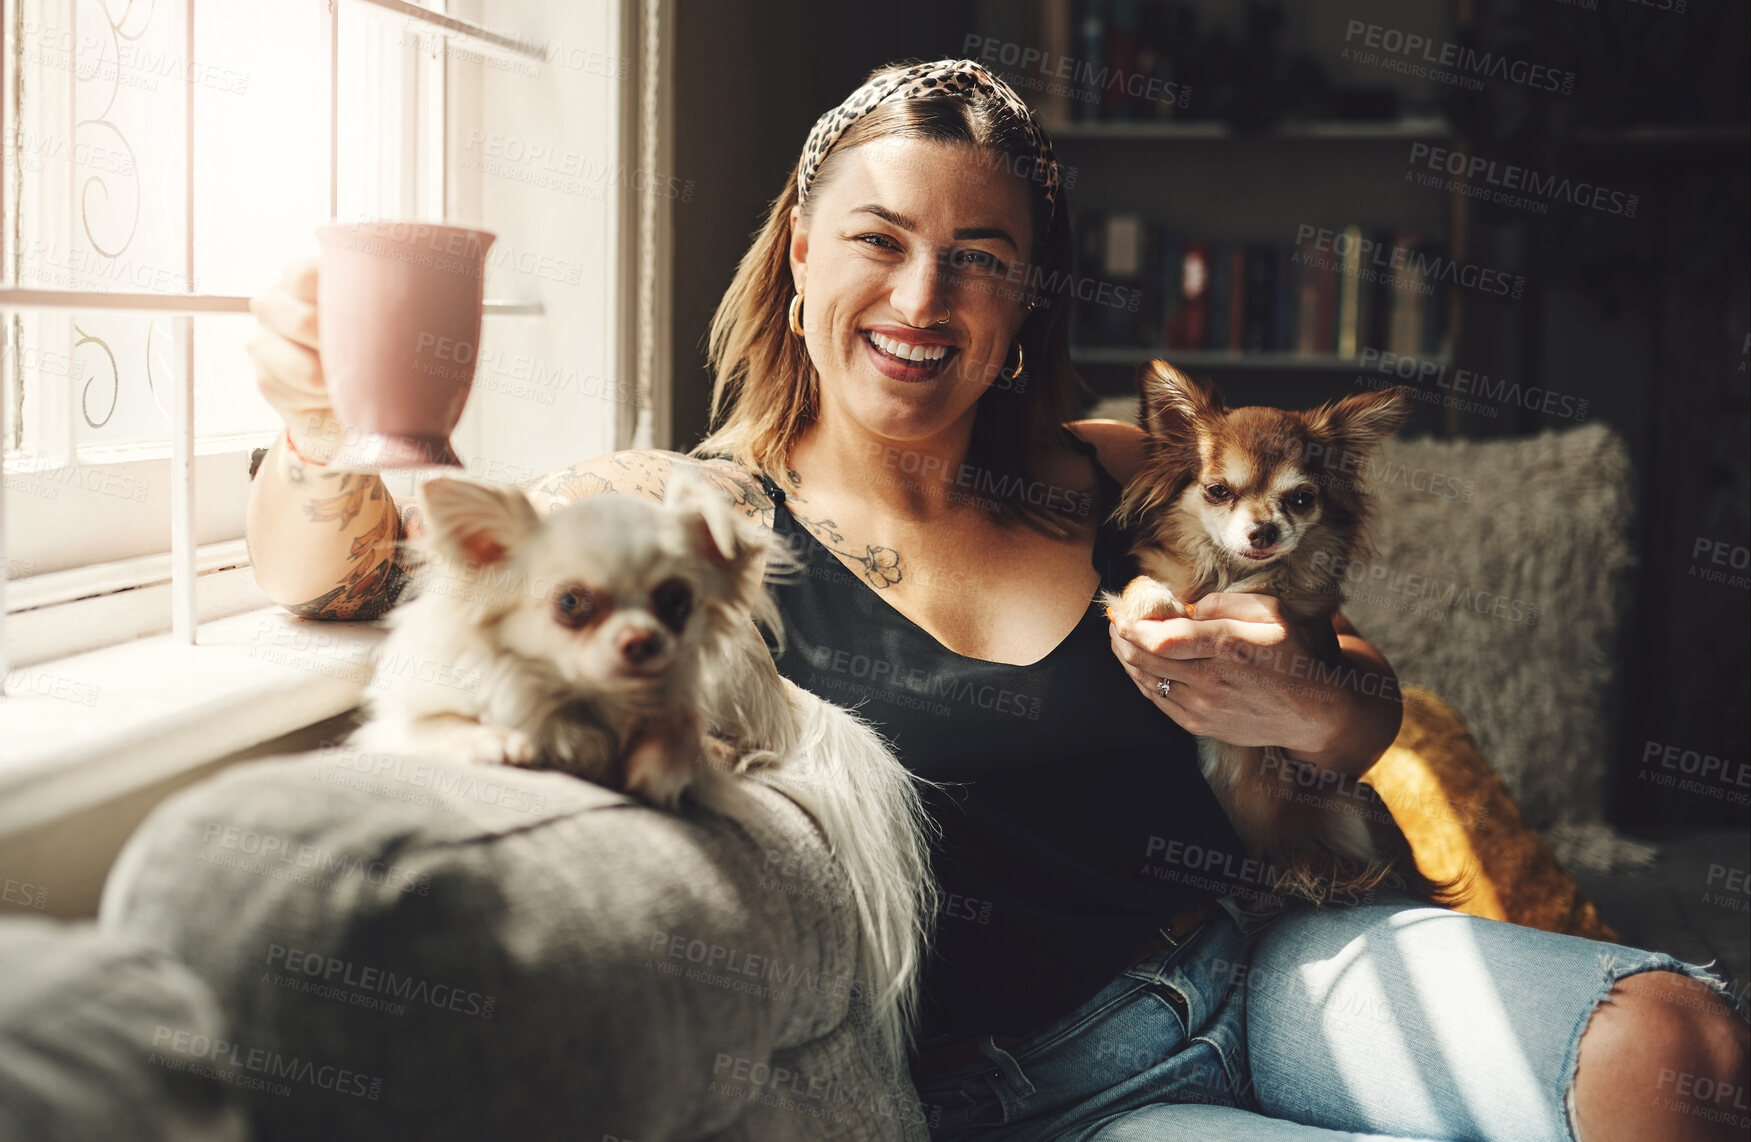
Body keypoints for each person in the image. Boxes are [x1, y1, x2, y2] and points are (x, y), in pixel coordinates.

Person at [246, 58, 1747, 1142]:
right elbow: (370, 570)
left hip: (1262, 958)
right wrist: (321, 425)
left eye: (978, 261)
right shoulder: (687, 519)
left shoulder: (1112, 475)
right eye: (881, 244)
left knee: (1675, 1045)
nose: (919, 304)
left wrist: (1306, 697)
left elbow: (1358, 707)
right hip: (1042, 1081)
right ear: (796, 256)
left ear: (1027, 302)